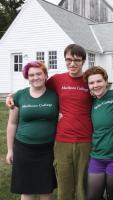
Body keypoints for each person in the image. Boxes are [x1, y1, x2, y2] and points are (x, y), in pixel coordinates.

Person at [6, 44, 92, 200]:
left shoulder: (89, 80)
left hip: (74, 141)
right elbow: (34, 87)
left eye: (77, 60)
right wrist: (10, 96)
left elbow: (103, 92)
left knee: (76, 187)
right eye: (68, 60)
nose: (72, 63)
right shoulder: (57, 80)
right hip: (53, 141)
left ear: (83, 61)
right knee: (57, 186)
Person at [6, 61, 58, 200]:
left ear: (46, 75)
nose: (35, 77)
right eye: (31, 75)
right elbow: (12, 123)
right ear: (27, 77)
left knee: (45, 189)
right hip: (24, 149)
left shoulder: (54, 95)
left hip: (47, 150)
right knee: (27, 189)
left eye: (39, 73)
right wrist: (10, 150)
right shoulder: (20, 96)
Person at [83, 66, 113, 200]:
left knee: (112, 195)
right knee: (92, 196)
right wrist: (15, 96)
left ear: (106, 81)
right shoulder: (91, 101)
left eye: (99, 81)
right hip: (97, 156)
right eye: (91, 83)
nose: (95, 85)